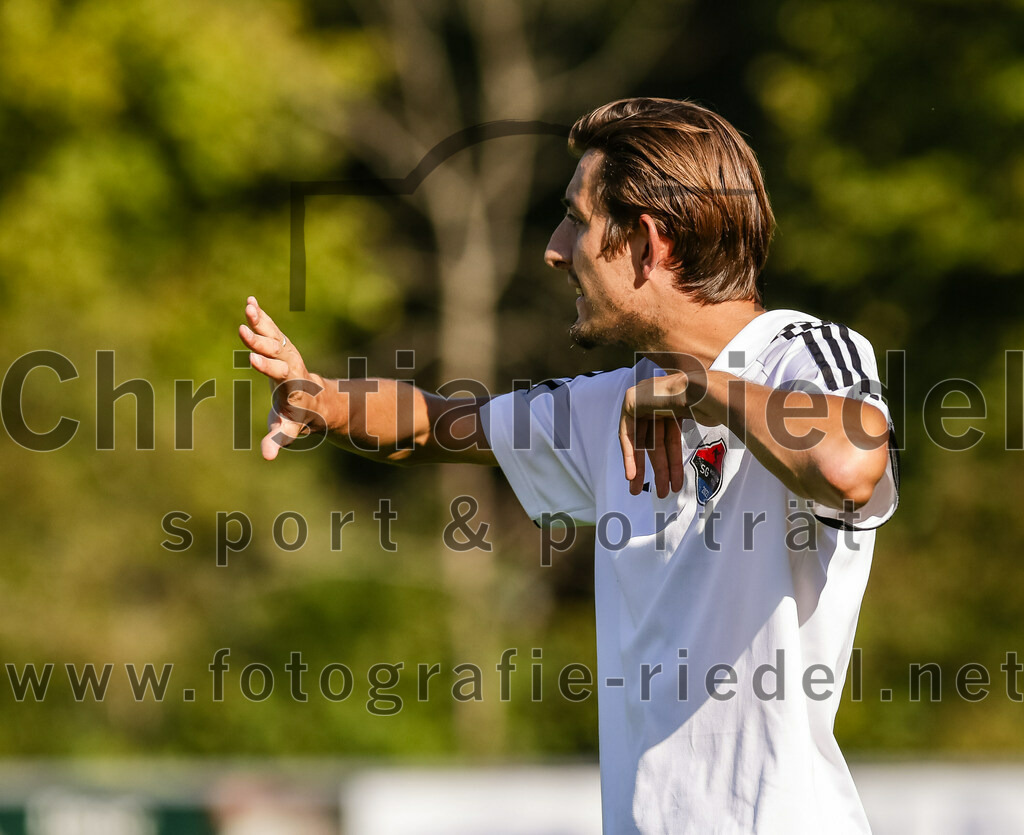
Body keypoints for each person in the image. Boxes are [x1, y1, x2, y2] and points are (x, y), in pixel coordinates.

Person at [239, 97, 898, 834]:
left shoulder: (801, 353)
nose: (555, 249)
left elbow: (850, 461)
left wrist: (696, 388)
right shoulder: (614, 402)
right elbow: (431, 423)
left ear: (649, 242)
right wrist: (323, 400)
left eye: (577, 220)